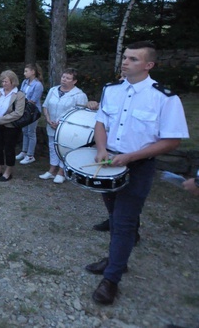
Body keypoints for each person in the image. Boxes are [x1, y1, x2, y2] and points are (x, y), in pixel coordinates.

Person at [86, 41, 188, 305]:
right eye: (125, 57)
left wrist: (131, 157)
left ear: (148, 65)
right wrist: (100, 148)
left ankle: (112, 279)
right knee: (113, 215)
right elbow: (101, 122)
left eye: (132, 59)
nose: (125, 61)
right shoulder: (111, 90)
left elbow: (172, 140)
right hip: (109, 163)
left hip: (139, 165)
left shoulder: (164, 97)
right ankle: (117, 258)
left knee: (124, 221)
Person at [39, 68, 89, 183]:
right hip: (51, 125)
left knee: (64, 149)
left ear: (74, 81)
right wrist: (48, 119)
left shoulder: (79, 95)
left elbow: (80, 114)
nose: (64, 80)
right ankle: (51, 170)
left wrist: (61, 123)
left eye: (68, 78)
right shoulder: (53, 90)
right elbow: (45, 106)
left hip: (67, 129)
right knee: (52, 147)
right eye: (63, 77)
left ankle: (61, 172)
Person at [0, 70, 25, 182]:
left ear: (13, 82)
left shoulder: (19, 95)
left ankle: (8, 171)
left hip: (10, 127)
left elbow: (18, 113)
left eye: (6, 81)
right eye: (2, 81)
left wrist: (1, 119)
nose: (4, 84)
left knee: (9, 149)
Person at [17, 63, 44, 165]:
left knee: (31, 132)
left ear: (33, 72)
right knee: (24, 130)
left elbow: (33, 100)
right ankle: (24, 151)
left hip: (33, 111)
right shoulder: (25, 82)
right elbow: (20, 93)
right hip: (24, 109)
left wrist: (23, 101)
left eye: (26, 71)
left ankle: (30, 155)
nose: (24, 73)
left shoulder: (38, 85)